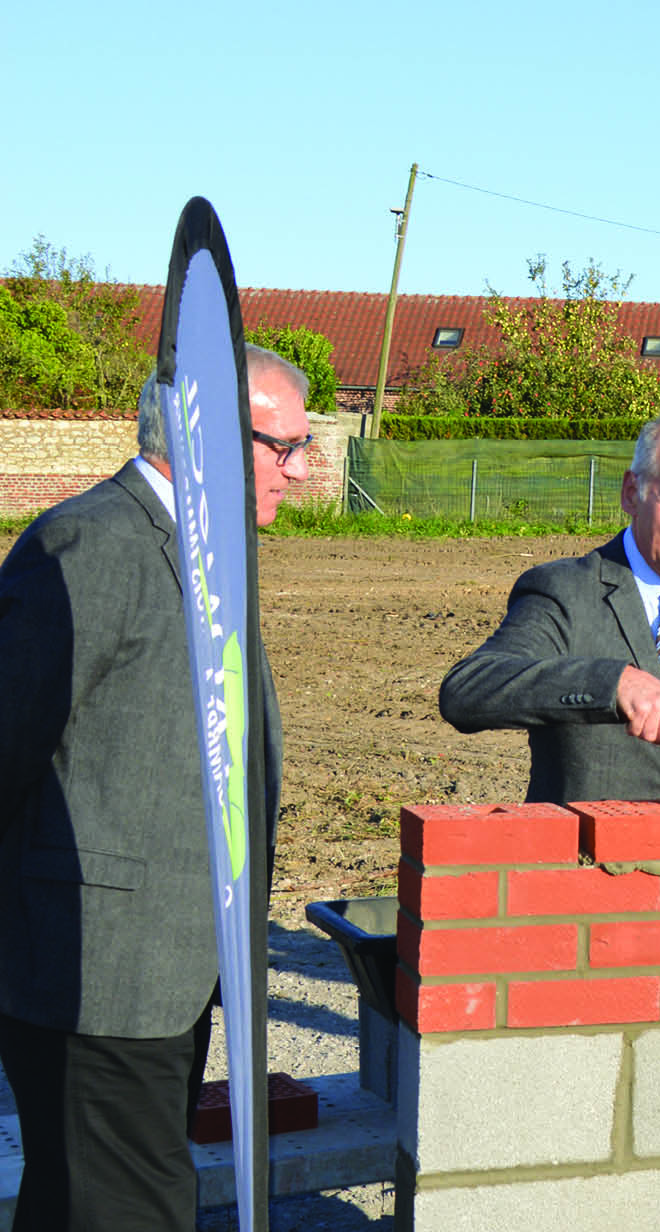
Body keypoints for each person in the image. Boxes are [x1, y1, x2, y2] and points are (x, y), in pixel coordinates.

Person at [0, 344, 309, 1232]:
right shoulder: (92, 541)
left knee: (86, 1205)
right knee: (129, 1211)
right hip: (93, 973)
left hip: (168, 966)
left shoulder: (204, 550)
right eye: (279, 445)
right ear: (200, 434)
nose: (298, 468)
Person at [440, 411, 660, 804]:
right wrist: (615, 683)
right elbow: (467, 691)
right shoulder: (565, 591)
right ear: (631, 493)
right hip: (590, 859)